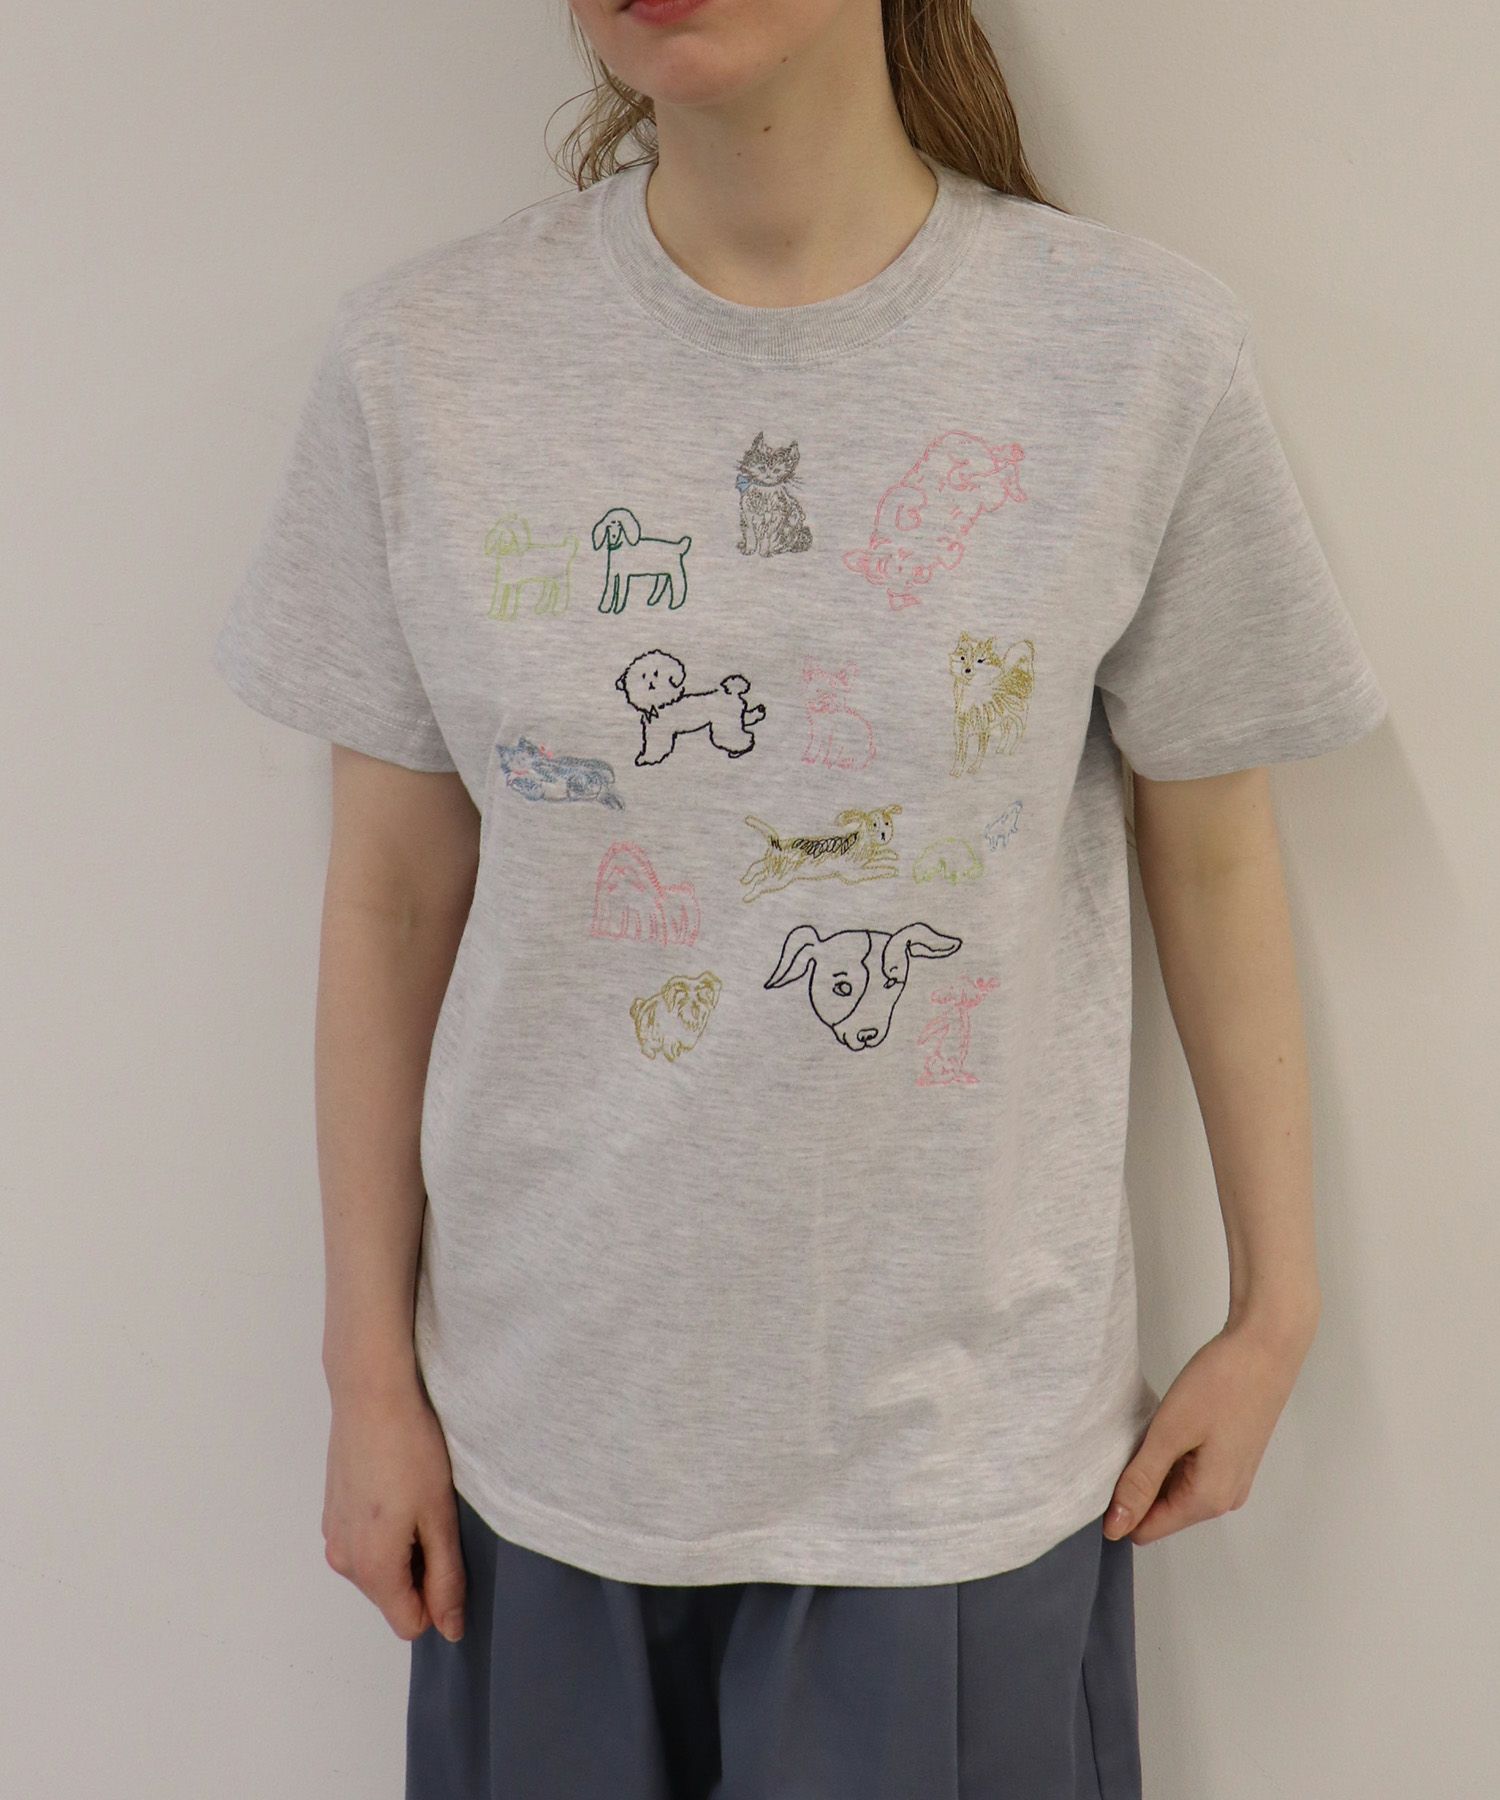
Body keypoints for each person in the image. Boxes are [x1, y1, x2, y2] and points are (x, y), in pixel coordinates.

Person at [211, 2, 1387, 1794]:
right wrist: (366, 1378)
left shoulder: (1132, 353)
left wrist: (1276, 1309)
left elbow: (1215, 848)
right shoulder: (423, 362)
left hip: (952, 1469)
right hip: (545, 1450)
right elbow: (387, 895)